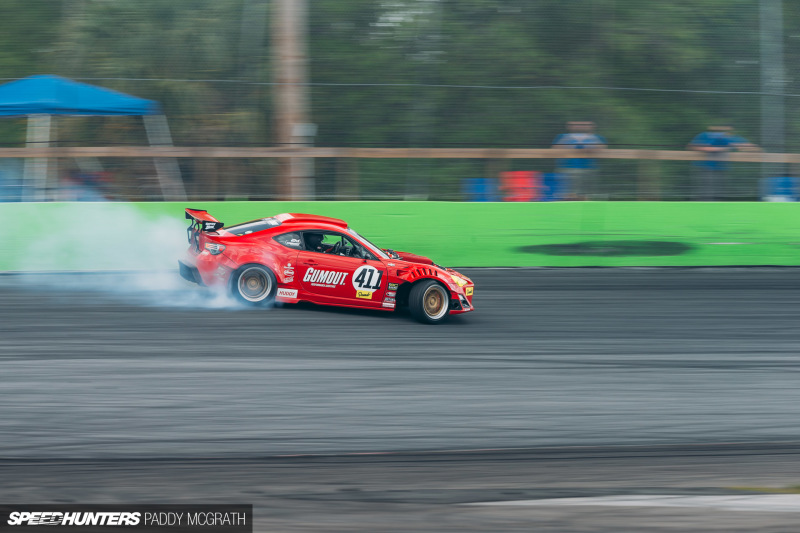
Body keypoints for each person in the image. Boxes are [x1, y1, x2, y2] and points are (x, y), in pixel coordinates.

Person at [687, 125, 759, 201]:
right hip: (704, 168)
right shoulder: (705, 135)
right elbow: (692, 146)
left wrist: (747, 148)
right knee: (706, 193)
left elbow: (751, 147)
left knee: (719, 192)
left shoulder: (731, 137)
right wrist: (712, 149)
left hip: (721, 169)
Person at [552, 121, 607, 200]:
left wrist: (588, 145)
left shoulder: (596, 137)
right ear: (569, 126)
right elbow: (555, 150)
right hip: (566, 170)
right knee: (566, 194)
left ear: (592, 126)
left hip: (588, 170)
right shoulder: (562, 136)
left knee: (587, 195)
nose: (580, 126)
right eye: (575, 124)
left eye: (584, 125)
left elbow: (602, 149)